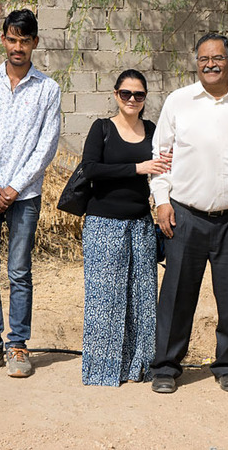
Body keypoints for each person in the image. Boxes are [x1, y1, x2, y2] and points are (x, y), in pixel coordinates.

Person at [150, 33, 228, 394]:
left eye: (217, 58)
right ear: (196, 63)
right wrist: (162, 201)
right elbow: (161, 155)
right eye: (203, 58)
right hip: (184, 215)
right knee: (176, 295)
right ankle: (166, 367)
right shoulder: (179, 102)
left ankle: (227, 365)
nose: (210, 64)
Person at [0, 9, 61, 378]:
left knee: (19, 272)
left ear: (35, 42)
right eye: (12, 39)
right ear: (3, 39)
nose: (18, 47)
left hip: (24, 196)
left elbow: (46, 146)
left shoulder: (47, 89)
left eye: (25, 40)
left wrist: (14, 187)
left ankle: (17, 346)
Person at [80, 69, 171, 386]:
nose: (132, 99)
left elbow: (166, 167)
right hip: (103, 225)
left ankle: (140, 367)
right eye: (126, 94)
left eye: (139, 95)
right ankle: (103, 370)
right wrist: (138, 167)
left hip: (140, 226)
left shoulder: (152, 130)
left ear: (145, 98)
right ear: (116, 95)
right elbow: (91, 168)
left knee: (142, 300)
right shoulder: (102, 129)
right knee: (104, 300)